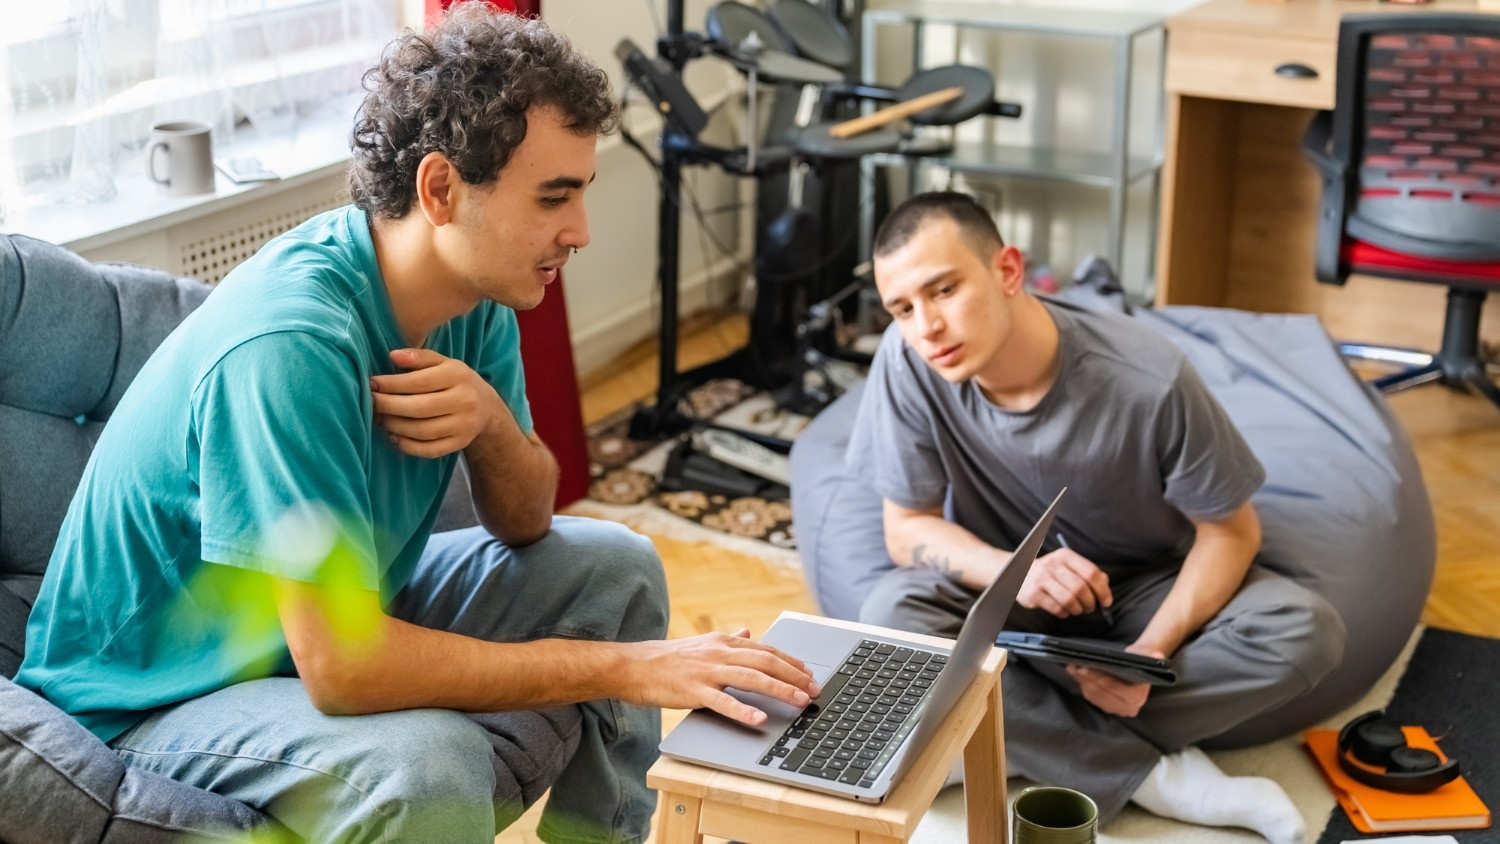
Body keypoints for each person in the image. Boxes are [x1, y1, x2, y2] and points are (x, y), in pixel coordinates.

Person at [14, 7, 818, 844]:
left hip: (322, 625)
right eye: (553, 199)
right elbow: (342, 667)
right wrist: (631, 669)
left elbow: (526, 521)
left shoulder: (474, 292)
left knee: (618, 566)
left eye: (580, 195)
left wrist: (492, 424)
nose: (577, 233)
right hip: (152, 696)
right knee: (430, 767)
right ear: (440, 190)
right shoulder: (291, 346)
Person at [848, 191, 1347, 844]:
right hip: (1013, 600)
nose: (926, 327)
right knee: (889, 614)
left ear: (1007, 271)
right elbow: (905, 528)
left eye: (942, 291)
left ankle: (990, 728)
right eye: (902, 308)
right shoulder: (908, 358)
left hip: (1145, 590)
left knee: (1307, 631)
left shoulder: (1148, 378)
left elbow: (1232, 531)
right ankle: (1143, 776)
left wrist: (1151, 652)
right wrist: (1013, 574)